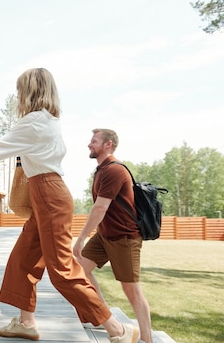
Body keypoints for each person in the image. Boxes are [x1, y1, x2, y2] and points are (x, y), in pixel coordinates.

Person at [0, 68, 139, 343]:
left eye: (19, 91)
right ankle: (26, 323)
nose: (17, 97)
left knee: (62, 270)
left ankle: (116, 328)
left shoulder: (35, 122)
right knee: (23, 259)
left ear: (30, 92)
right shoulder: (46, 121)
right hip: (47, 196)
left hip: (49, 196)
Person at [73, 128, 153, 343]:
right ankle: (103, 316)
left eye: (94, 141)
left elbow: (100, 208)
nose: (90, 144)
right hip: (105, 235)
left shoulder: (114, 171)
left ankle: (146, 338)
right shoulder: (101, 171)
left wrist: (80, 239)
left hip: (124, 237)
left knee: (131, 289)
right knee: (79, 269)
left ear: (108, 144)